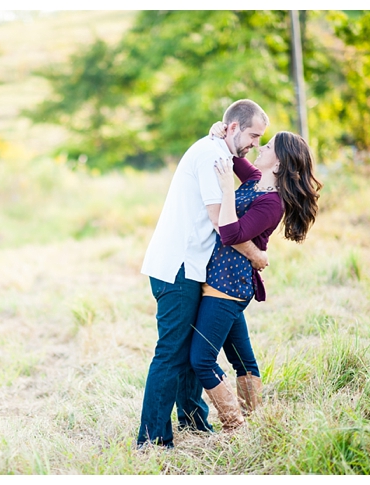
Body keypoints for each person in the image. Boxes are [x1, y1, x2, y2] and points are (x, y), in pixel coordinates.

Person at [137, 99, 270, 448]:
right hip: (179, 266)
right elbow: (219, 221)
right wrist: (256, 255)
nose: (255, 144)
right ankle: (151, 440)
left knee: (187, 348)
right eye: (254, 135)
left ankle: (194, 422)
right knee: (171, 352)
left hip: (190, 266)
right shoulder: (213, 156)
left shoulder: (218, 152)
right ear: (233, 127)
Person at [189, 128, 322, 431]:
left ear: (277, 164)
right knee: (242, 360)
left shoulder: (272, 203)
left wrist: (225, 190)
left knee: (201, 359)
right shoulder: (253, 180)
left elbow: (231, 233)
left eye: (269, 146)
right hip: (220, 279)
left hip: (229, 285)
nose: (260, 146)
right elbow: (233, 153)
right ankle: (256, 422)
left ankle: (235, 425)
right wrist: (216, 131)